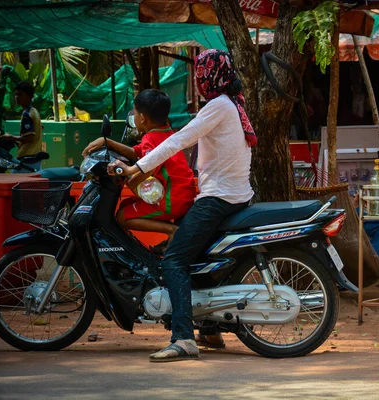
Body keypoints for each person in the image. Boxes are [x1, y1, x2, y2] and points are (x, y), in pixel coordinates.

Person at [108, 49, 256, 362]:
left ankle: (184, 338)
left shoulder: (218, 106)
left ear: (209, 77)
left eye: (201, 75)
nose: (199, 80)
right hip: (234, 194)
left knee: (173, 260)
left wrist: (137, 169)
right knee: (195, 256)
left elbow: (178, 140)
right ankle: (211, 329)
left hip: (218, 198)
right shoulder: (232, 103)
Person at [83, 90, 195, 248]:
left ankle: (171, 231)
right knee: (125, 205)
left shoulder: (150, 138)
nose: (133, 116)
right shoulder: (166, 133)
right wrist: (107, 142)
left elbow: (150, 165)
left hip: (171, 200)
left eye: (134, 112)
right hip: (181, 195)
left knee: (122, 216)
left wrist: (131, 179)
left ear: (142, 118)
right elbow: (136, 151)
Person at [1, 82, 43, 172]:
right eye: (16, 94)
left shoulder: (27, 114)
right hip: (35, 157)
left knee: (14, 183)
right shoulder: (34, 111)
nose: (16, 97)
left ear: (29, 97)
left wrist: (11, 137)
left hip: (27, 159)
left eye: (20, 95)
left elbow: (30, 137)